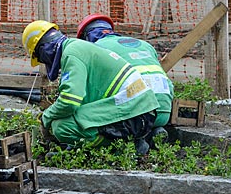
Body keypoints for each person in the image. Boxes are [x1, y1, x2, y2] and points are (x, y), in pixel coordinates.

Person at [22, 20, 160, 155]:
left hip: (135, 113)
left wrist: (45, 117)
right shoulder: (76, 47)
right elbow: (80, 98)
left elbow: (69, 102)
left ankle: (119, 149)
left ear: (43, 50)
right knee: (71, 119)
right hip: (139, 109)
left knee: (62, 127)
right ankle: (132, 142)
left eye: (40, 58)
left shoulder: (71, 54)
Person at [77, 13, 174, 145]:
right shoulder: (145, 44)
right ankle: (153, 131)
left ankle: (133, 141)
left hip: (138, 111)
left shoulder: (96, 49)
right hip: (164, 110)